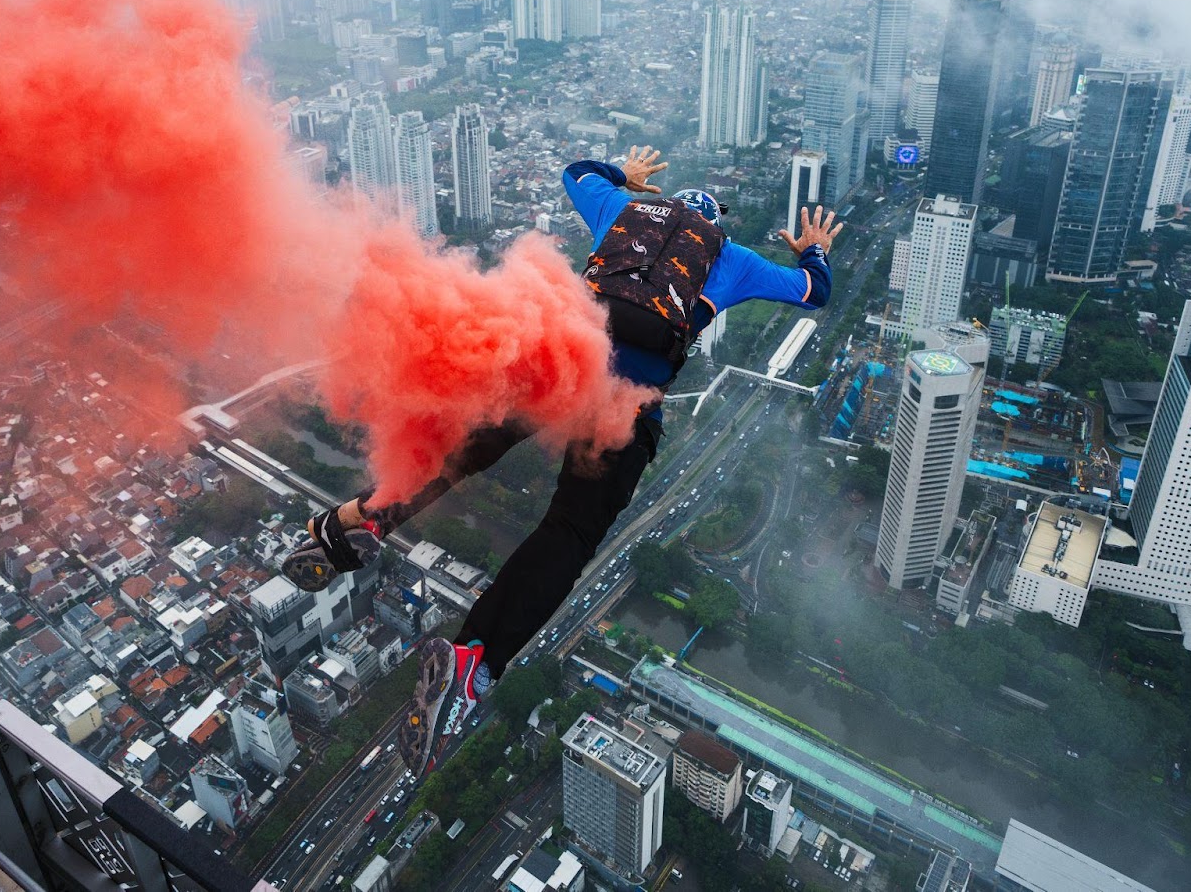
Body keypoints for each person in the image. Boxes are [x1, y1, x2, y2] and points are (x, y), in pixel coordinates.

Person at [282, 146, 843, 775]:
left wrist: (622, 177)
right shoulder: (731, 259)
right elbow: (815, 293)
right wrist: (811, 250)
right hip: (624, 409)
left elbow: (573, 172)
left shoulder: (623, 210)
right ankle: (474, 658)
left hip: (559, 366)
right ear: (716, 225)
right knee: (568, 532)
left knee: (469, 451)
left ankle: (363, 518)